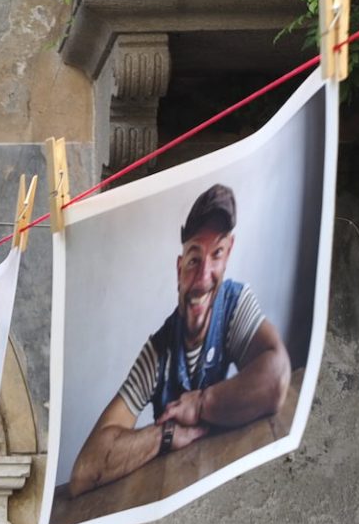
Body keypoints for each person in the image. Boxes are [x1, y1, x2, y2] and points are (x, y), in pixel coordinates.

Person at [67, 183, 292, 497]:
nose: (203, 278)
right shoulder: (157, 353)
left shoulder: (234, 305)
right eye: (194, 259)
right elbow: (83, 472)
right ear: (179, 269)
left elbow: (276, 379)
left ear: (228, 254)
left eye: (216, 254)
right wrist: (166, 434)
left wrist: (200, 405)